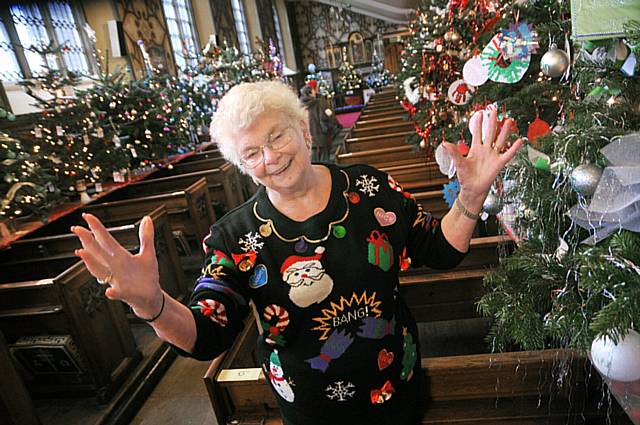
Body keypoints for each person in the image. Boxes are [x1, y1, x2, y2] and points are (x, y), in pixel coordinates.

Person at [71, 80, 521, 425]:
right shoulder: (233, 237)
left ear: (303, 130)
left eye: (276, 137)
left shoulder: (370, 188)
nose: (270, 157)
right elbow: (208, 334)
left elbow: (439, 249)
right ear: (242, 166)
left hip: (394, 388)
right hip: (310, 410)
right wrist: (151, 304)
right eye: (252, 152)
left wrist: (471, 196)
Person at [299, 80, 340, 162]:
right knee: (325, 162)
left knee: (313, 163)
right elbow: (325, 117)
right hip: (320, 136)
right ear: (311, 93)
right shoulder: (319, 102)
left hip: (307, 139)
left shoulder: (299, 106)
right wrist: (333, 127)